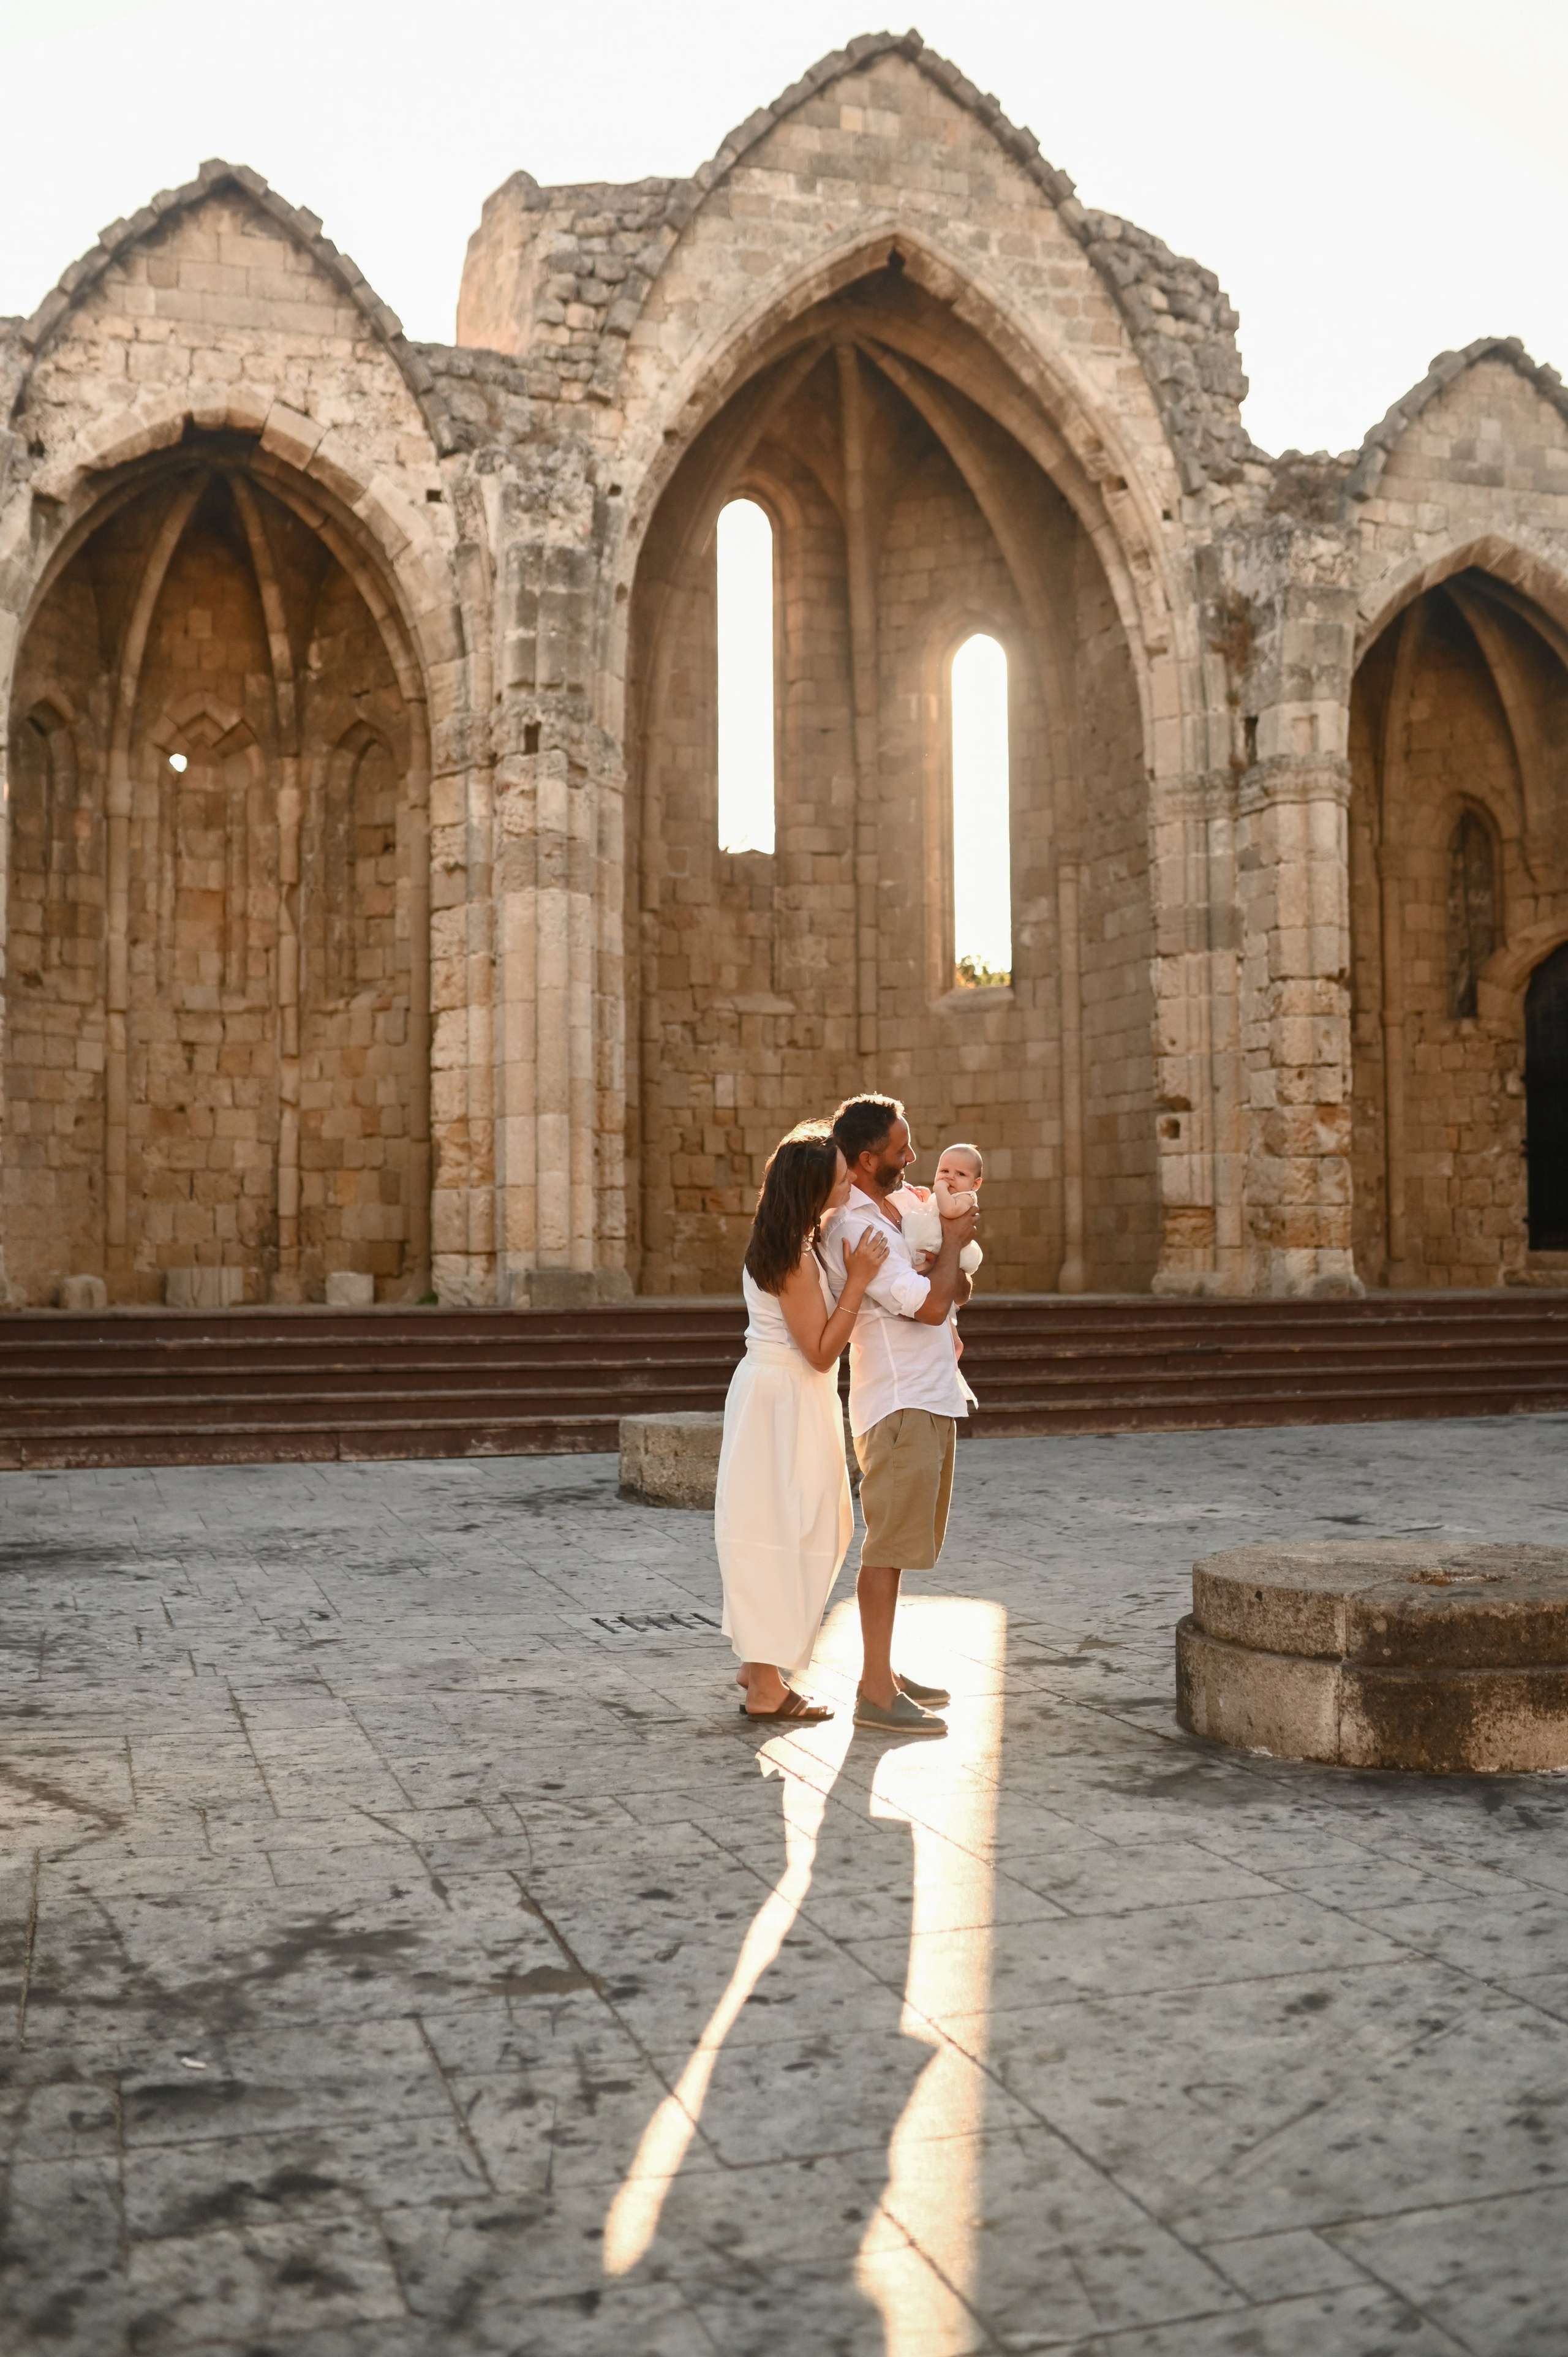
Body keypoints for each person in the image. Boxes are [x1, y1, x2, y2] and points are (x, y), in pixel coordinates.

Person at [715, 1122, 891, 1723]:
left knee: (802, 1522)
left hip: (788, 1392)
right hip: (784, 1394)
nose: (849, 1185)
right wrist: (862, 1282)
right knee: (787, 1529)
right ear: (813, 1190)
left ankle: (756, 1660)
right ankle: (765, 1685)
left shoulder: (791, 1240)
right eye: (842, 1179)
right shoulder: (790, 1255)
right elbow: (819, 1349)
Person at [822, 1096, 979, 1736]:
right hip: (896, 1402)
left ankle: (884, 1668)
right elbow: (929, 1307)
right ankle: (874, 1688)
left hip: (932, 1392)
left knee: (904, 1542)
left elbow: (955, 1290)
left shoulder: (902, 1209)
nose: (914, 1158)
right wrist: (954, 1243)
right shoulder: (856, 1228)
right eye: (901, 1149)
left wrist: (952, 1249)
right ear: (866, 1159)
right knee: (886, 1545)